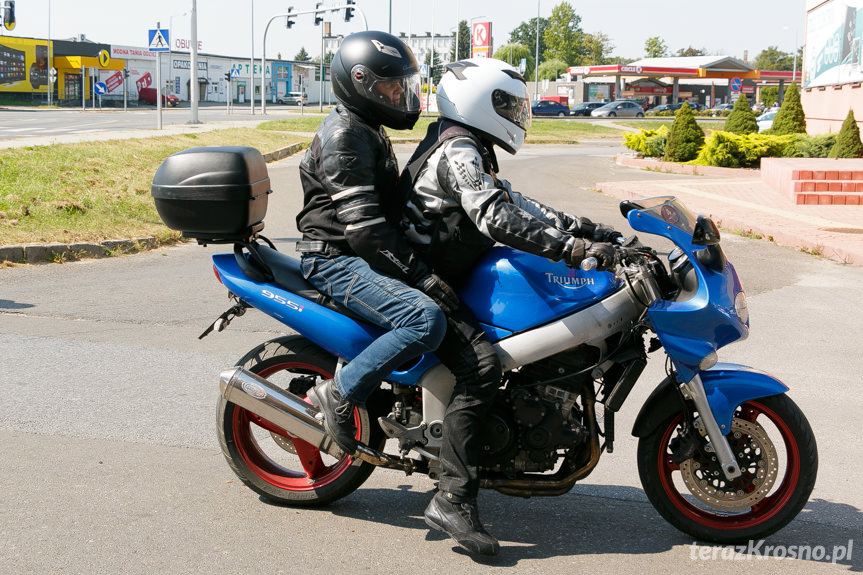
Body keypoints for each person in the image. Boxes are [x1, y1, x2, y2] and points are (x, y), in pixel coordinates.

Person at [398, 57, 622, 556]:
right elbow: (495, 216)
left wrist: (587, 229)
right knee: (479, 365)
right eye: (508, 103)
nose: (518, 113)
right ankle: (452, 498)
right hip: (423, 279)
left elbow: (516, 202)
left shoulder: (468, 145)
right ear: (480, 102)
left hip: (449, 272)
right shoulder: (457, 148)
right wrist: (571, 251)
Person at [296, 31, 457, 456]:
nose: (399, 94)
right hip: (336, 260)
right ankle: (340, 394)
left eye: (403, 85)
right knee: (426, 319)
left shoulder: (366, 127)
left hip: (356, 253)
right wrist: (421, 276)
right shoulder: (344, 137)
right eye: (390, 86)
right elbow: (365, 229)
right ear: (360, 82)